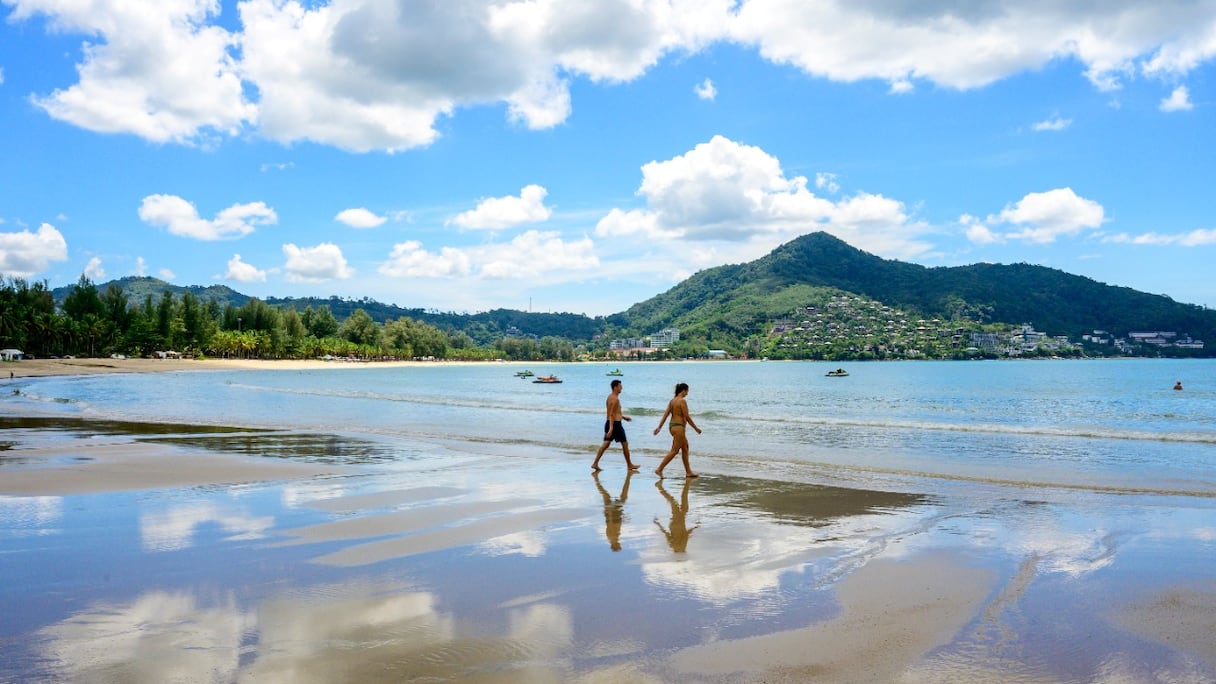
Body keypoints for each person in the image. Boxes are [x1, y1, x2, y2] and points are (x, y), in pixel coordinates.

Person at [653, 382, 701, 478]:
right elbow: (687, 417)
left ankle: (688, 472)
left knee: (685, 448)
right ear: (683, 390)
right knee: (674, 451)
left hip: (672, 427)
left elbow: (666, 415)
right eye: (687, 391)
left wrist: (659, 427)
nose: (687, 393)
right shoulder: (682, 401)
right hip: (679, 427)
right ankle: (659, 469)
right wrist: (696, 428)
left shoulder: (672, 401)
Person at [592, 379, 638, 471]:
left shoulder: (610, 397)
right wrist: (611, 429)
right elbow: (612, 414)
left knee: (606, 444)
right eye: (620, 386)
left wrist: (624, 418)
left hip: (609, 422)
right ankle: (629, 465)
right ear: (615, 387)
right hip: (615, 425)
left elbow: (612, 412)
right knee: (625, 444)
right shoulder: (615, 399)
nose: (622, 388)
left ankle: (595, 463)